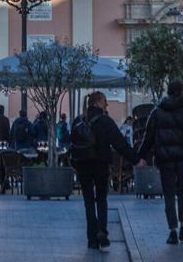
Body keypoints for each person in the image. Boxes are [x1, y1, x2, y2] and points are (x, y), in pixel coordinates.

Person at [138, 80, 183, 245]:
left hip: (165, 159)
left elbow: (147, 137)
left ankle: (172, 230)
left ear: (168, 91)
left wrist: (139, 157)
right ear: (181, 91)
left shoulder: (157, 112)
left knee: (169, 194)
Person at [70, 91, 138, 251]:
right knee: (101, 199)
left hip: (82, 165)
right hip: (100, 164)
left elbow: (71, 144)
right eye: (105, 101)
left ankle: (91, 239)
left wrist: (75, 163)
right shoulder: (105, 121)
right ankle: (102, 231)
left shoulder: (77, 121)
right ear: (99, 102)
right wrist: (136, 159)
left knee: (88, 202)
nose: (107, 105)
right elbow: (119, 144)